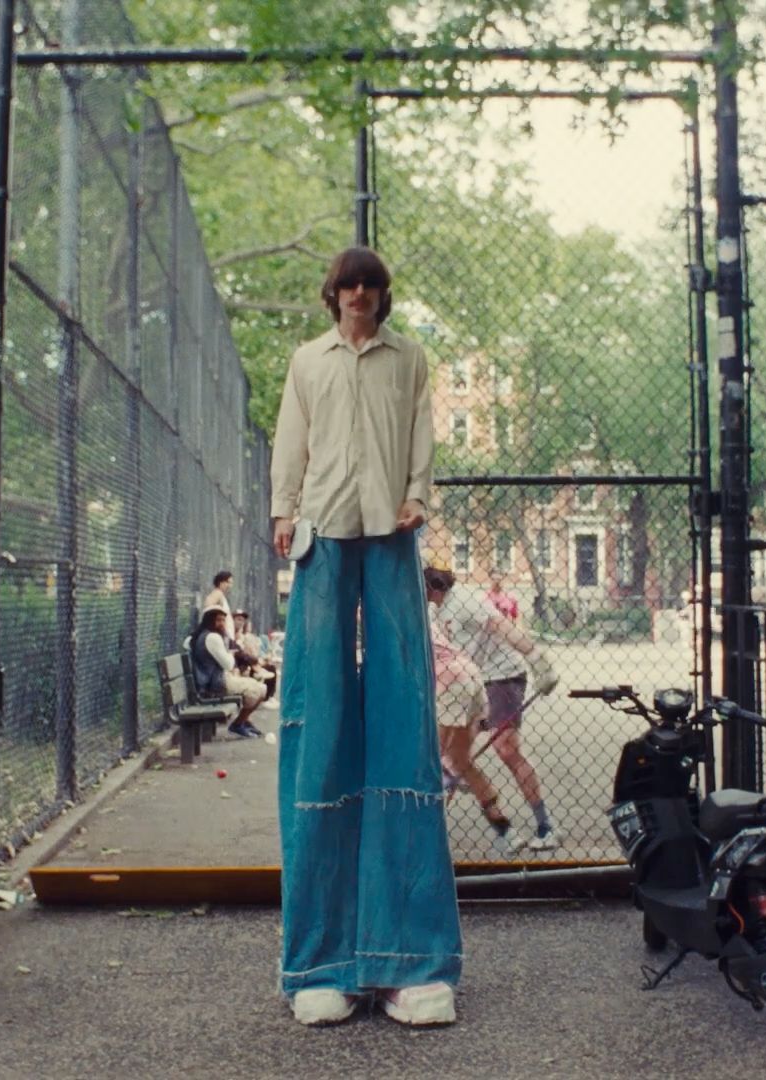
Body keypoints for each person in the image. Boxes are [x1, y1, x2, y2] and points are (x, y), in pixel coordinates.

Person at [270, 246, 460, 1028]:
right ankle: (321, 962)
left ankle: (408, 961)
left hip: (390, 528)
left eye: (369, 284)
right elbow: (292, 437)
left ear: (382, 296)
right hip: (321, 529)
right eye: (347, 284)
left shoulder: (409, 359)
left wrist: (418, 495)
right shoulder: (308, 361)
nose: (358, 294)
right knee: (319, 718)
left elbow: (421, 433)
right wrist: (284, 510)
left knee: (403, 718)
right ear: (333, 294)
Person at [424, 555, 561, 851]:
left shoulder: (465, 600)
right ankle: (500, 831)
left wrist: (537, 658)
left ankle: (546, 825)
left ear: (432, 580)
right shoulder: (430, 610)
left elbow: (502, 626)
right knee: (453, 758)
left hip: (501, 676)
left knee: (506, 749)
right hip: (466, 682)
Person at [427, 567, 525, 856]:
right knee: (459, 760)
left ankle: (427, 835)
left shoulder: (409, 613)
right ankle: (505, 828)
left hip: (451, 684)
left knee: (433, 761)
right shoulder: (430, 612)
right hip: (470, 678)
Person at [188, 606, 266, 737]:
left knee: (261, 687)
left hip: (210, 681)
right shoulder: (212, 637)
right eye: (218, 620)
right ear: (209, 620)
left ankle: (243, 721)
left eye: (224, 620)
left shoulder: (199, 635)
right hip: (216, 684)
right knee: (260, 690)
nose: (222, 624)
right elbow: (229, 664)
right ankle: (238, 724)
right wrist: (230, 653)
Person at [232, 610, 278, 699]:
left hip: (247, 662)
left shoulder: (244, 636)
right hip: (239, 665)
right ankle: (264, 696)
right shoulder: (230, 634)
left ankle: (267, 697)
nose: (240, 622)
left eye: (242, 620)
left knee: (270, 667)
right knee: (268, 668)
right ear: (232, 620)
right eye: (238, 619)